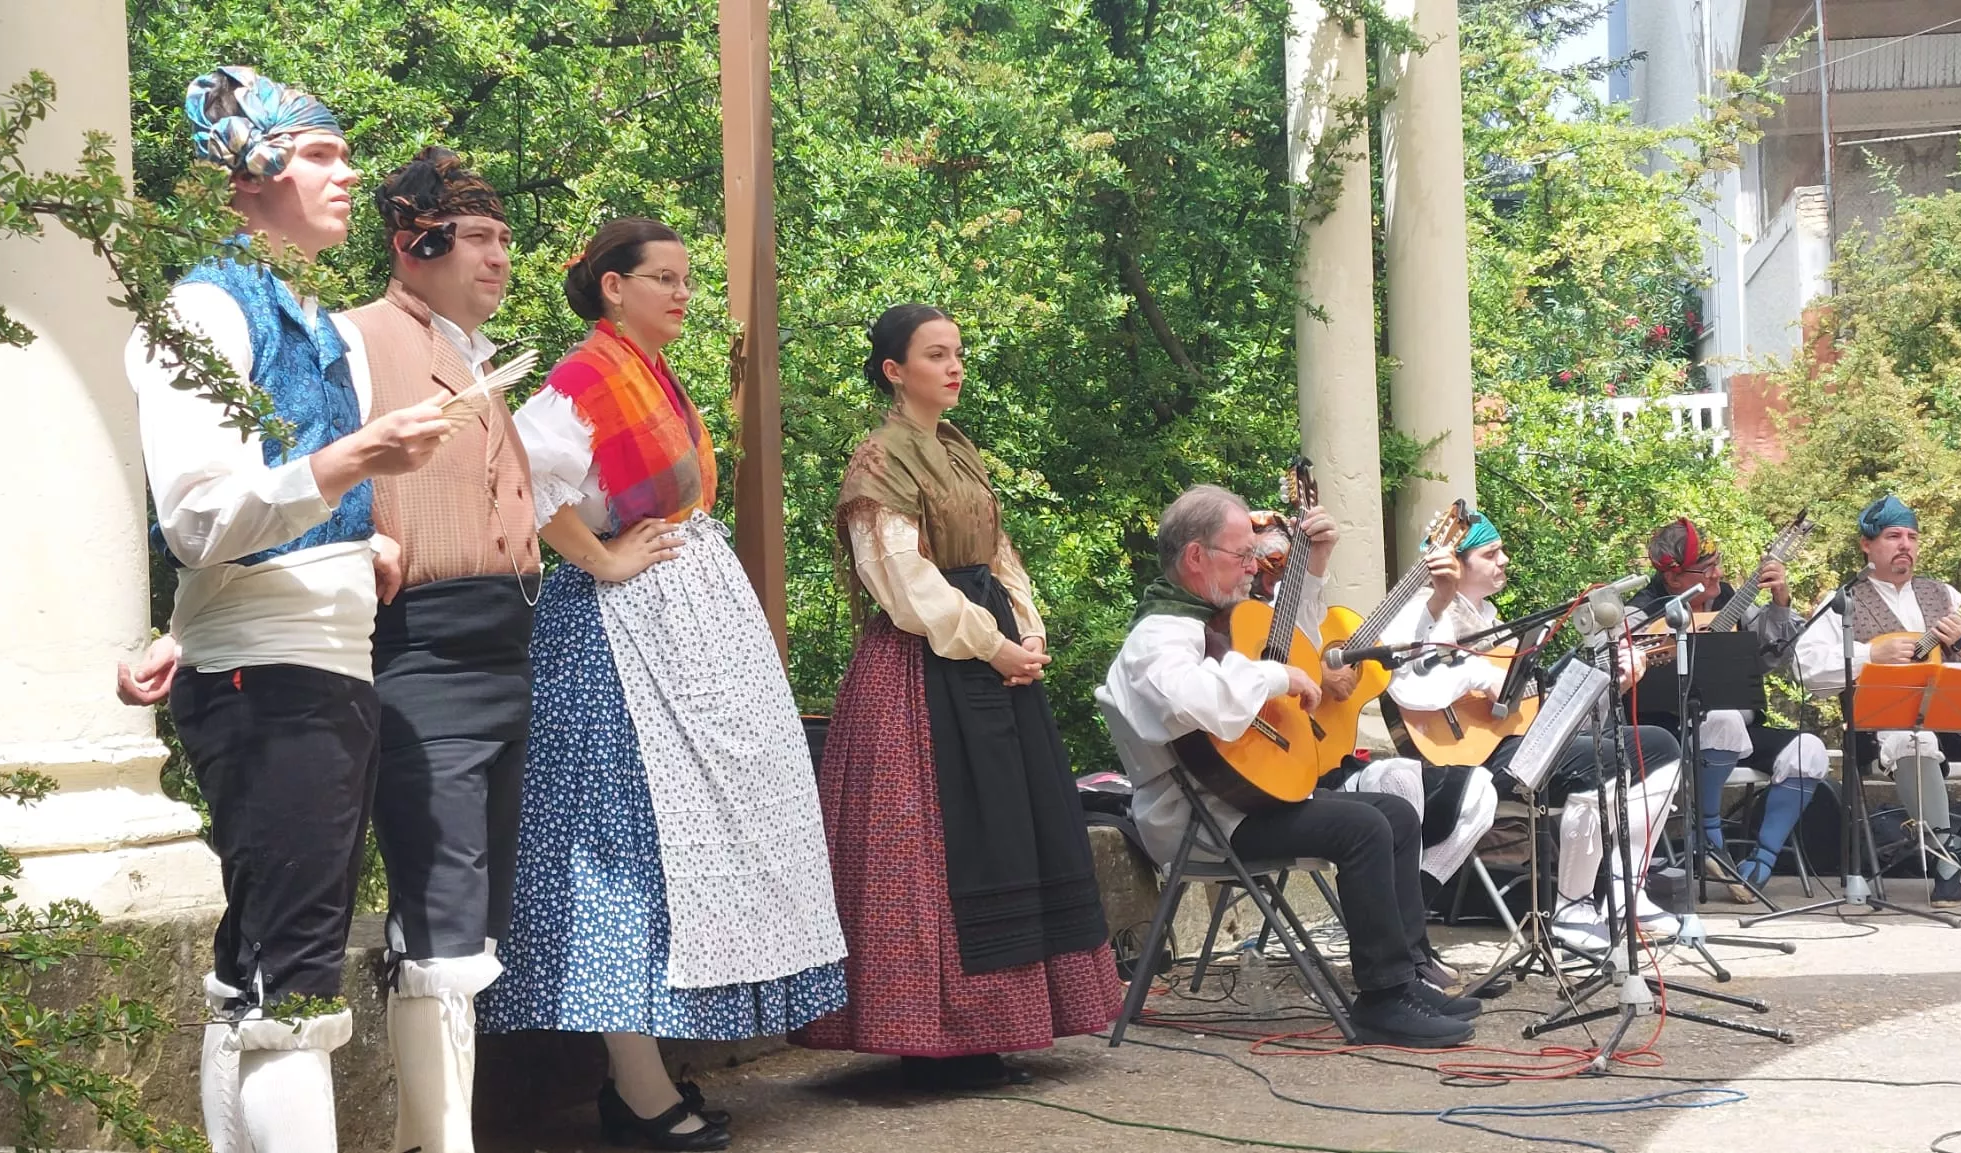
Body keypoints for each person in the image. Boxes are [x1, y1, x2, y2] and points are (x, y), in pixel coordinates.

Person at [125, 66, 449, 1151]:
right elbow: (199, 519)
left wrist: (363, 537)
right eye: (317, 153)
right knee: (293, 985)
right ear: (249, 169)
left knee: (260, 968)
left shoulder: (324, 324)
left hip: (321, 664)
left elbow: (272, 513)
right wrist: (349, 461)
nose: (347, 170)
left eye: (340, 151)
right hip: (269, 677)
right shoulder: (201, 308)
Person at [476, 217, 846, 1151]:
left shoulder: (646, 374)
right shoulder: (583, 379)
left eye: (686, 278)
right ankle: (638, 1087)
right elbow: (526, 478)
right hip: (620, 640)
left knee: (685, 842)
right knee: (630, 844)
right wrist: (601, 561)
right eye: (664, 278)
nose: (684, 292)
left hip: (680, 628)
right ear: (612, 286)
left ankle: (646, 1077)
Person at [792, 305, 1120, 1089]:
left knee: (1012, 829)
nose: (955, 367)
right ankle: (929, 1036)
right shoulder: (879, 459)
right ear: (894, 371)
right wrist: (992, 642)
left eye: (959, 354)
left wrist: (1027, 631)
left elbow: (998, 552)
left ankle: (995, 1029)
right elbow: (902, 582)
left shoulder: (958, 450)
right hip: (922, 669)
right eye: (936, 355)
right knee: (934, 847)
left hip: (991, 657)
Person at [1100, 484, 1478, 1049]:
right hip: (1201, 822)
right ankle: (1381, 1000)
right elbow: (1194, 703)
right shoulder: (1157, 637)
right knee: (1365, 827)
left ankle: (1405, 976)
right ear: (1195, 557)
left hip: (1243, 802)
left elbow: (1291, 641)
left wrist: (1313, 568)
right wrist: (1276, 678)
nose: (1253, 569)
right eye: (1241, 557)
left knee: (1395, 813)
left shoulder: (1216, 620)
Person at [341, 147, 541, 1153]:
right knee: (443, 907)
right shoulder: (355, 342)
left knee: (478, 908)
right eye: (477, 237)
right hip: (420, 649)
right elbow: (306, 475)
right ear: (412, 240)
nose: (500, 257)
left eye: (505, 238)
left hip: (504, 649)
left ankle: (443, 1134)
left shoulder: (471, 352)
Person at [1376, 514, 1684, 953]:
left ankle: (1627, 892)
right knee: (1600, 765)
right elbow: (1408, 688)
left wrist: (1611, 680)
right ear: (1455, 563)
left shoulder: (1490, 618)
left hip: (1508, 743)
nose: (1504, 560)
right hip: (1463, 760)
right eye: (1490, 553)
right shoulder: (1424, 612)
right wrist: (1480, 675)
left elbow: (1529, 709)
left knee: (1660, 747)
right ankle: (1573, 909)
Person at [1247, 515, 1498, 961]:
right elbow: (1413, 686)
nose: (1272, 570)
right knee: (1400, 789)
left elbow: (1398, 660)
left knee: (1481, 789)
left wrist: (1439, 601)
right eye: (1266, 561)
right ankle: (1401, 948)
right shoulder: (1241, 626)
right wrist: (1312, 676)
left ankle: (1411, 918)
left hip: (1335, 756)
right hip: (1289, 768)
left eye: (1284, 561)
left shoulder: (1327, 620)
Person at [1793, 495, 1961, 907]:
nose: (1905, 545)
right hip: (1887, 725)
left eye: (1912, 536)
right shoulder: (1841, 601)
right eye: (1893, 536)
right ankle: (1949, 867)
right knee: (1913, 738)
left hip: (1958, 719)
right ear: (1866, 544)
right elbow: (1805, 670)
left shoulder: (1945, 595)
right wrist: (1868, 656)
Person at [1626, 519, 1828, 903]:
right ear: (1674, 579)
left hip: (1741, 730)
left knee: (1810, 751)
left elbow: (1776, 658)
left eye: (1718, 562)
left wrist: (1780, 601)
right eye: (1708, 568)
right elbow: (1623, 661)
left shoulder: (1731, 601)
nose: (1719, 573)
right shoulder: (1641, 611)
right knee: (1723, 719)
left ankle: (1761, 862)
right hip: (1671, 735)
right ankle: (1710, 842)